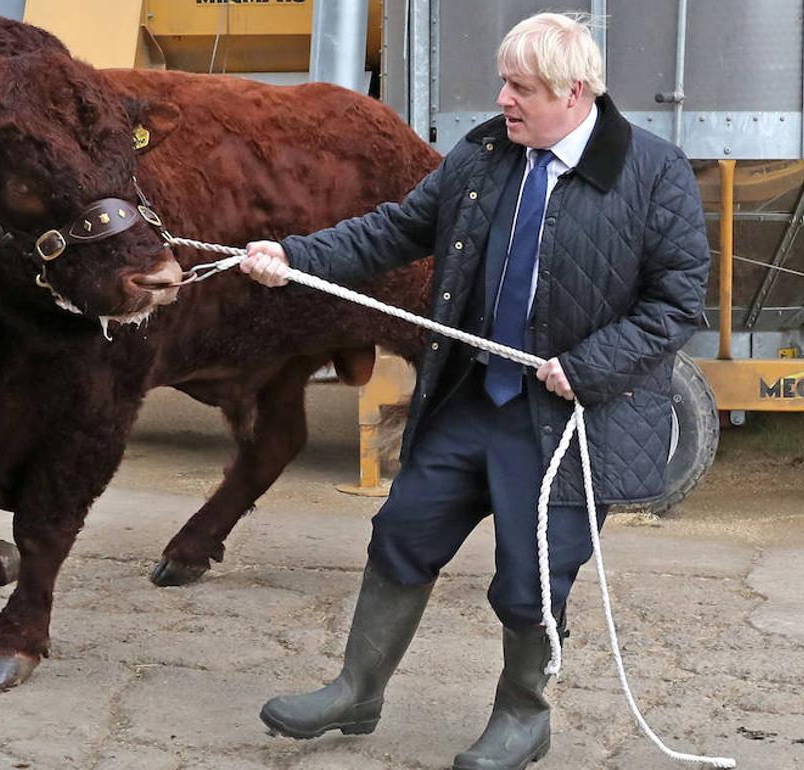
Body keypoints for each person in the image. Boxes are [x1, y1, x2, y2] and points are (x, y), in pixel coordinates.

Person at [241, 13, 708, 770]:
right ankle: (358, 689)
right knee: (402, 532)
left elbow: (678, 303)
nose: (504, 100)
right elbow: (393, 231)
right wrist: (293, 256)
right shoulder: (486, 153)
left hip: (566, 422)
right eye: (504, 83)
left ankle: (524, 717)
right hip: (474, 399)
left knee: (530, 581)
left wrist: (588, 366)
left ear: (575, 93)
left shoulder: (654, 173)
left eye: (520, 88)